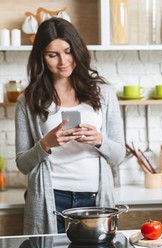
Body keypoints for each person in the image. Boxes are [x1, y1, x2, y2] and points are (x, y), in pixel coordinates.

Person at [15, 17, 126, 235]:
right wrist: (46, 144)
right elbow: (22, 164)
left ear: (77, 50)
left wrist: (99, 140)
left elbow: (119, 155)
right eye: (52, 55)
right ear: (41, 58)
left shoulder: (103, 94)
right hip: (51, 197)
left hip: (94, 197)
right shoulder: (28, 100)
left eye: (68, 51)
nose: (63, 61)